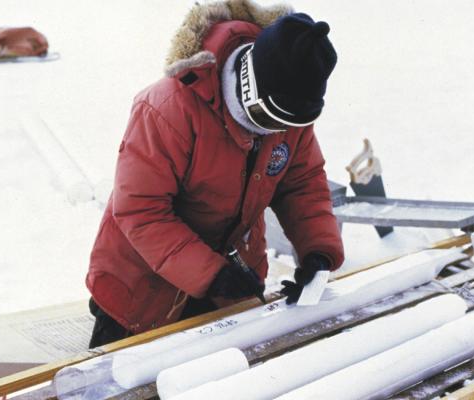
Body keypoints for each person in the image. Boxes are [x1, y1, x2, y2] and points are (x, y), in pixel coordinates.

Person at [86, 0, 344, 348]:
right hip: (141, 286)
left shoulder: (289, 111)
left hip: (230, 281)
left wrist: (318, 252)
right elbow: (141, 211)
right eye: (269, 119)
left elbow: (302, 185)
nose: (277, 133)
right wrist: (212, 275)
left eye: (290, 124)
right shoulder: (167, 109)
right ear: (248, 86)